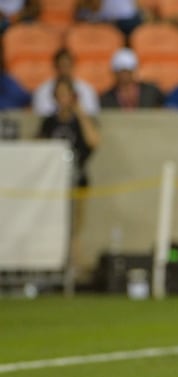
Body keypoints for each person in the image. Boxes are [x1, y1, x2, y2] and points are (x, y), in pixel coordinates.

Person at [37, 77, 101, 278]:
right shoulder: (49, 122)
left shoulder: (80, 120)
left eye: (67, 94)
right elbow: (40, 149)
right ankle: (51, 268)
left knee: (74, 228)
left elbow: (94, 141)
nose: (63, 98)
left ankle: (73, 269)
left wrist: (79, 111)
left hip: (77, 181)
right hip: (53, 185)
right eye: (60, 94)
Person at [33, 48, 100, 117]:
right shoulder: (42, 91)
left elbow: (92, 115)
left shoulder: (87, 90)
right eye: (61, 66)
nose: (64, 70)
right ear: (55, 66)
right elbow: (41, 116)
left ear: (73, 65)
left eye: (67, 65)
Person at [100, 48, 164, 109]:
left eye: (127, 71)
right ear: (114, 72)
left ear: (134, 70)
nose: (124, 75)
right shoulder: (106, 98)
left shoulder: (151, 92)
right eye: (121, 71)